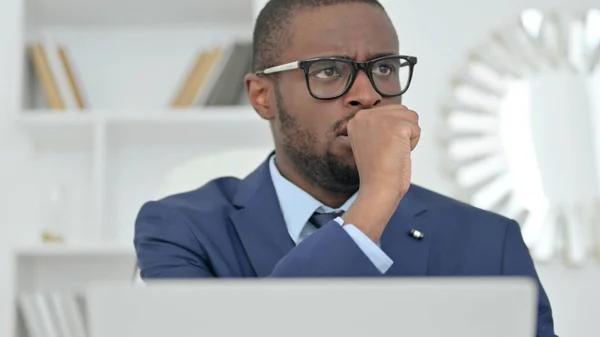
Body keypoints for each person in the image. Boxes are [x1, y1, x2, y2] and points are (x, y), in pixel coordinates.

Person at [134, 0, 556, 335]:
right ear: (264, 97)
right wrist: (373, 203)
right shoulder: (180, 230)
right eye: (330, 71)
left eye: (384, 68)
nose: (367, 95)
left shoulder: (490, 242)